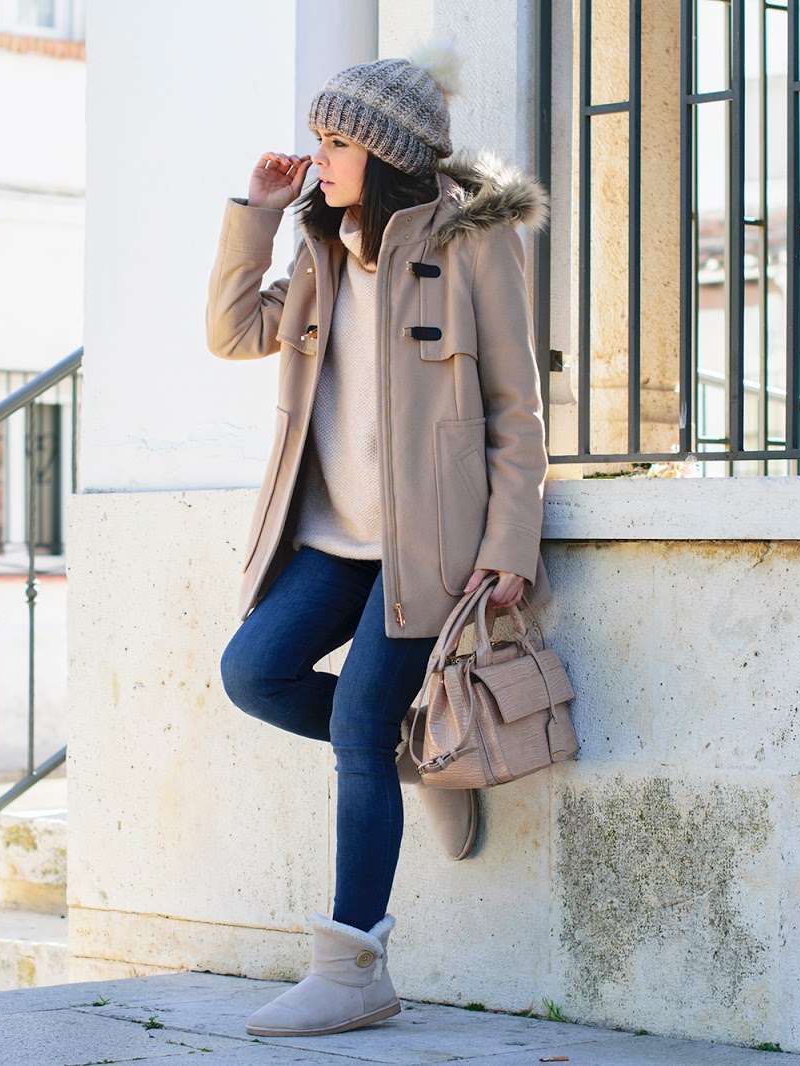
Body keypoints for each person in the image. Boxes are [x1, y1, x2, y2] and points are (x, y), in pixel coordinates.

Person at [205, 48, 554, 1038]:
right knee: (253, 671)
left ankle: (352, 965)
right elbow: (233, 332)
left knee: (359, 718)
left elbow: (514, 407)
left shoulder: (472, 240)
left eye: (334, 142)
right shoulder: (318, 249)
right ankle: (424, 754)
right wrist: (259, 213)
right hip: (328, 538)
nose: (317, 158)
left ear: (386, 153)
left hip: (428, 546)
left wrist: (509, 543)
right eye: (317, 139)